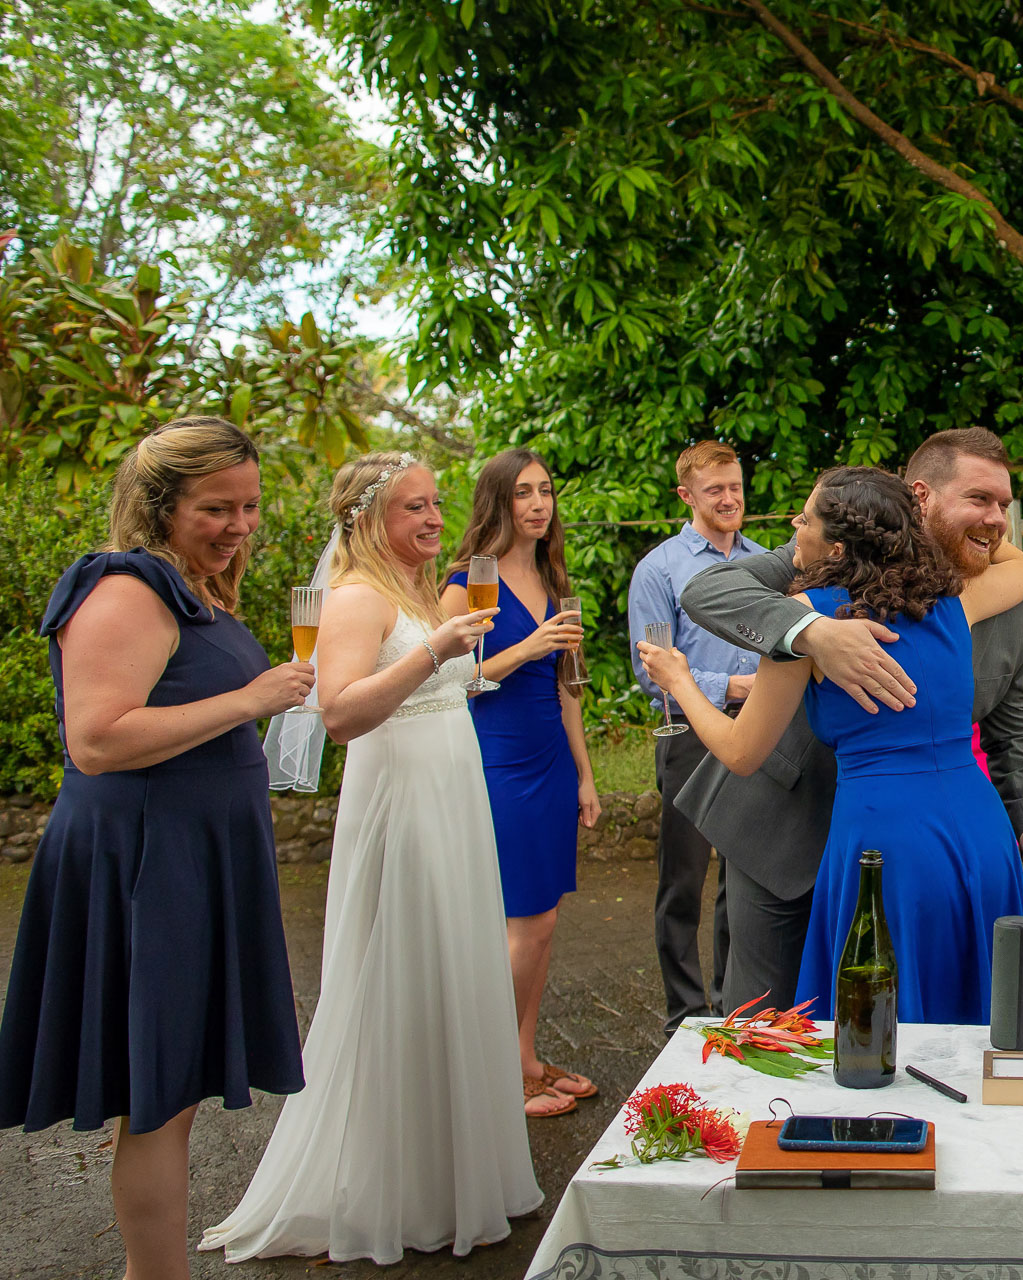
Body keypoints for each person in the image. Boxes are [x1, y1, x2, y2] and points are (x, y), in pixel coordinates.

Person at [201, 452, 540, 1264]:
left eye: (434, 505)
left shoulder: (416, 588)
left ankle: (456, 1176)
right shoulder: (356, 596)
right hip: (403, 806)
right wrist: (436, 654)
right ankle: (400, 1191)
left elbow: (443, 690)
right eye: (412, 509)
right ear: (366, 519)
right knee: (406, 972)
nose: (432, 519)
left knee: (454, 971)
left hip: (451, 792)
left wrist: (458, 659)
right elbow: (339, 713)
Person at [0, 418, 312, 1280]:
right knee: (159, 1095)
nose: (240, 526)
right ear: (156, 505)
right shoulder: (124, 590)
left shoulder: (190, 590)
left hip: (194, 857)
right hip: (150, 865)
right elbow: (97, 740)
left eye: (249, 507)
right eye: (216, 508)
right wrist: (252, 698)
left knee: (170, 1099)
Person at [674, 427, 1023, 1015]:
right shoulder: (834, 544)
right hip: (786, 827)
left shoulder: (1011, 600)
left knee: (913, 1018)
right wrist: (812, 631)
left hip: (914, 857)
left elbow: (1014, 730)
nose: (995, 521)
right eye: (979, 500)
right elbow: (710, 591)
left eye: (1004, 506)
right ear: (921, 498)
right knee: (766, 1022)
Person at [443, 448, 601, 1119]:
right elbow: (451, 683)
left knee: (543, 923)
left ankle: (525, 1059)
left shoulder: (553, 575)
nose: (539, 504)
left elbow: (570, 688)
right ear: (498, 501)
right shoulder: (467, 583)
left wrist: (587, 776)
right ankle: (489, 1072)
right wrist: (526, 648)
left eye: (546, 491)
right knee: (521, 923)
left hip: (551, 764)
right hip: (495, 760)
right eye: (524, 493)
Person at [626, 440, 766, 1029]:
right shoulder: (658, 569)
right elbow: (648, 666)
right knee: (682, 879)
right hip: (686, 731)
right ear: (686, 496)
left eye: (735, 486)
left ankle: (735, 1007)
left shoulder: (767, 561)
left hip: (761, 733)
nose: (730, 498)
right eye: (716, 490)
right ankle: (684, 1014)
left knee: (746, 878)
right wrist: (734, 687)